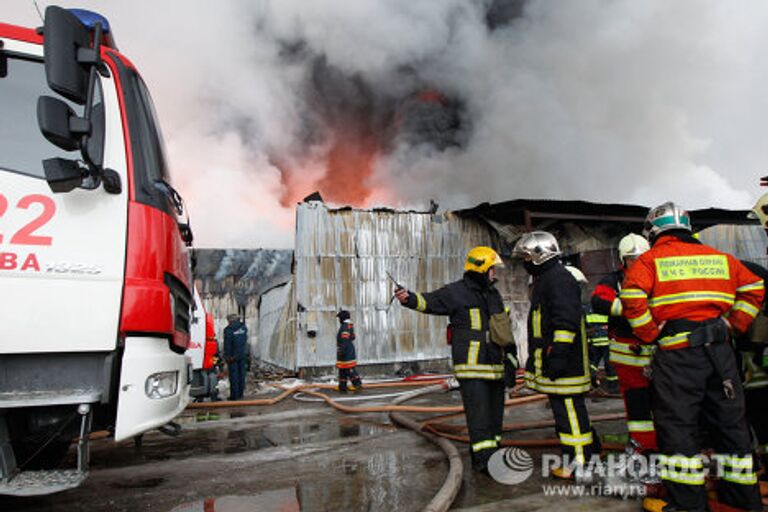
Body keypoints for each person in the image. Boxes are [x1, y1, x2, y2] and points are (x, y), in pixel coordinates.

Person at [621, 202, 764, 512]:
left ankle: (688, 504)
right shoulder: (721, 259)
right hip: (721, 353)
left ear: (655, 230)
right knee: (730, 426)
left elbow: (631, 297)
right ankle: (742, 500)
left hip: (678, 357)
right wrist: (733, 323)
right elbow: (755, 286)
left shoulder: (649, 261)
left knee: (679, 430)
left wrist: (649, 334)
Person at [395, 246, 516, 472]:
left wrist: (511, 359)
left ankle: (492, 455)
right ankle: (484, 462)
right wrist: (407, 298)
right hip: (472, 368)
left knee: (494, 418)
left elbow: (504, 329)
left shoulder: (493, 294)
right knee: (479, 419)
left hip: (495, 368)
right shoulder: (456, 292)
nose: (494, 274)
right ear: (481, 269)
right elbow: (428, 301)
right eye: (492, 269)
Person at [512, 232, 598, 479]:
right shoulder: (548, 279)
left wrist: (558, 355)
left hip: (565, 365)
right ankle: (586, 455)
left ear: (539, 256)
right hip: (557, 362)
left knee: (570, 414)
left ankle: (580, 465)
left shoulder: (558, 280)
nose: (524, 263)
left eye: (526, 258)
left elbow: (565, 321)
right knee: (567, 415)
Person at [591, 233, 657, 453]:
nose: (637, 262)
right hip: (629, 355)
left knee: (668, 403)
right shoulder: (613, 281)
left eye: (641, 257)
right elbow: (599, 301)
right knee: (637, 405)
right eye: (632, 258)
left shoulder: (659, 275)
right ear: (623, 259)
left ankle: (668, 443)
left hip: (661, 352)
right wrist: (635, 307)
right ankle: (643, 447)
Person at [336, 310, 363, 393]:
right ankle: (342, 386)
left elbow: (345, 339)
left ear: (342, 318)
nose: (338, 320)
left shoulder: (345, 326)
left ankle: (357, 384)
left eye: (339, 318)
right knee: (342, 370)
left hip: (346, 351)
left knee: (349, 369)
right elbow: (353, 337)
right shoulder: (349, 326)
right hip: (346, 350)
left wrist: (342, 350)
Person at [223, 313, 248, 401]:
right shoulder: (243, 328)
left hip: (232, 357)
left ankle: (234, 396)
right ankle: (241, 394)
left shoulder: (228, 330)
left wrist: (228, 356)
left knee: (234, 377)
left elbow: (228, 345)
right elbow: (245, 341)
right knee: (241, 375)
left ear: (230, 320)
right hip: (242, 355)